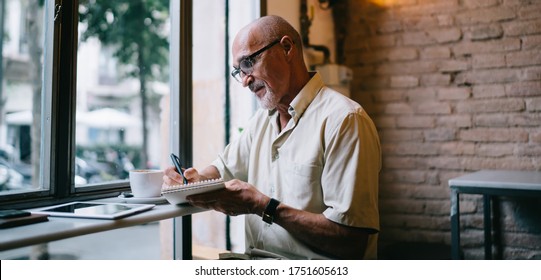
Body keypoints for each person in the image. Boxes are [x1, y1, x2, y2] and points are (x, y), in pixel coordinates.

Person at [164, 15, 381, 260]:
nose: (245, 81)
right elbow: (222, 168)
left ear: (287, 48)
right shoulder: (261, 122)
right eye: (239, 71)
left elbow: (352, 242)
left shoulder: (345, 120)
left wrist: (264, 206)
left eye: (248, 63)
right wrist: (191, 180)